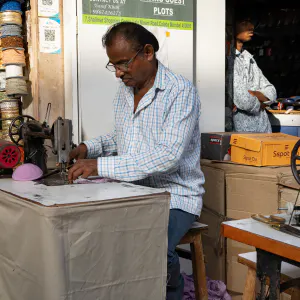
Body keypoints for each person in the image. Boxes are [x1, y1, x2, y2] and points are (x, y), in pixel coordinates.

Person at [68, 22, 205, 300]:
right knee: (101, 237)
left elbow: (168, 156)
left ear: (148, 52)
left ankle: (170, 293)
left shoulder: (181, 92)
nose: (118, 73)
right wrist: (87, 147)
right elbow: (122, 138)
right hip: (135, 189)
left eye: (123, 64)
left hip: (175, 195)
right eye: (113, 66)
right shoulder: (125, 91)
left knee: (154, 247)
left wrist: (100, 166)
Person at [225, 18, 277, 133]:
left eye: (251, 22)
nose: (251, 27)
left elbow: (272, 91)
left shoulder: (249, 58)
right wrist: (262, 102)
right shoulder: (228, 60)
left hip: (263, 130)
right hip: (242, 133)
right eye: (244, 22)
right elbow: (244, 100)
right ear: (231, 27)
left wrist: (255, 94)